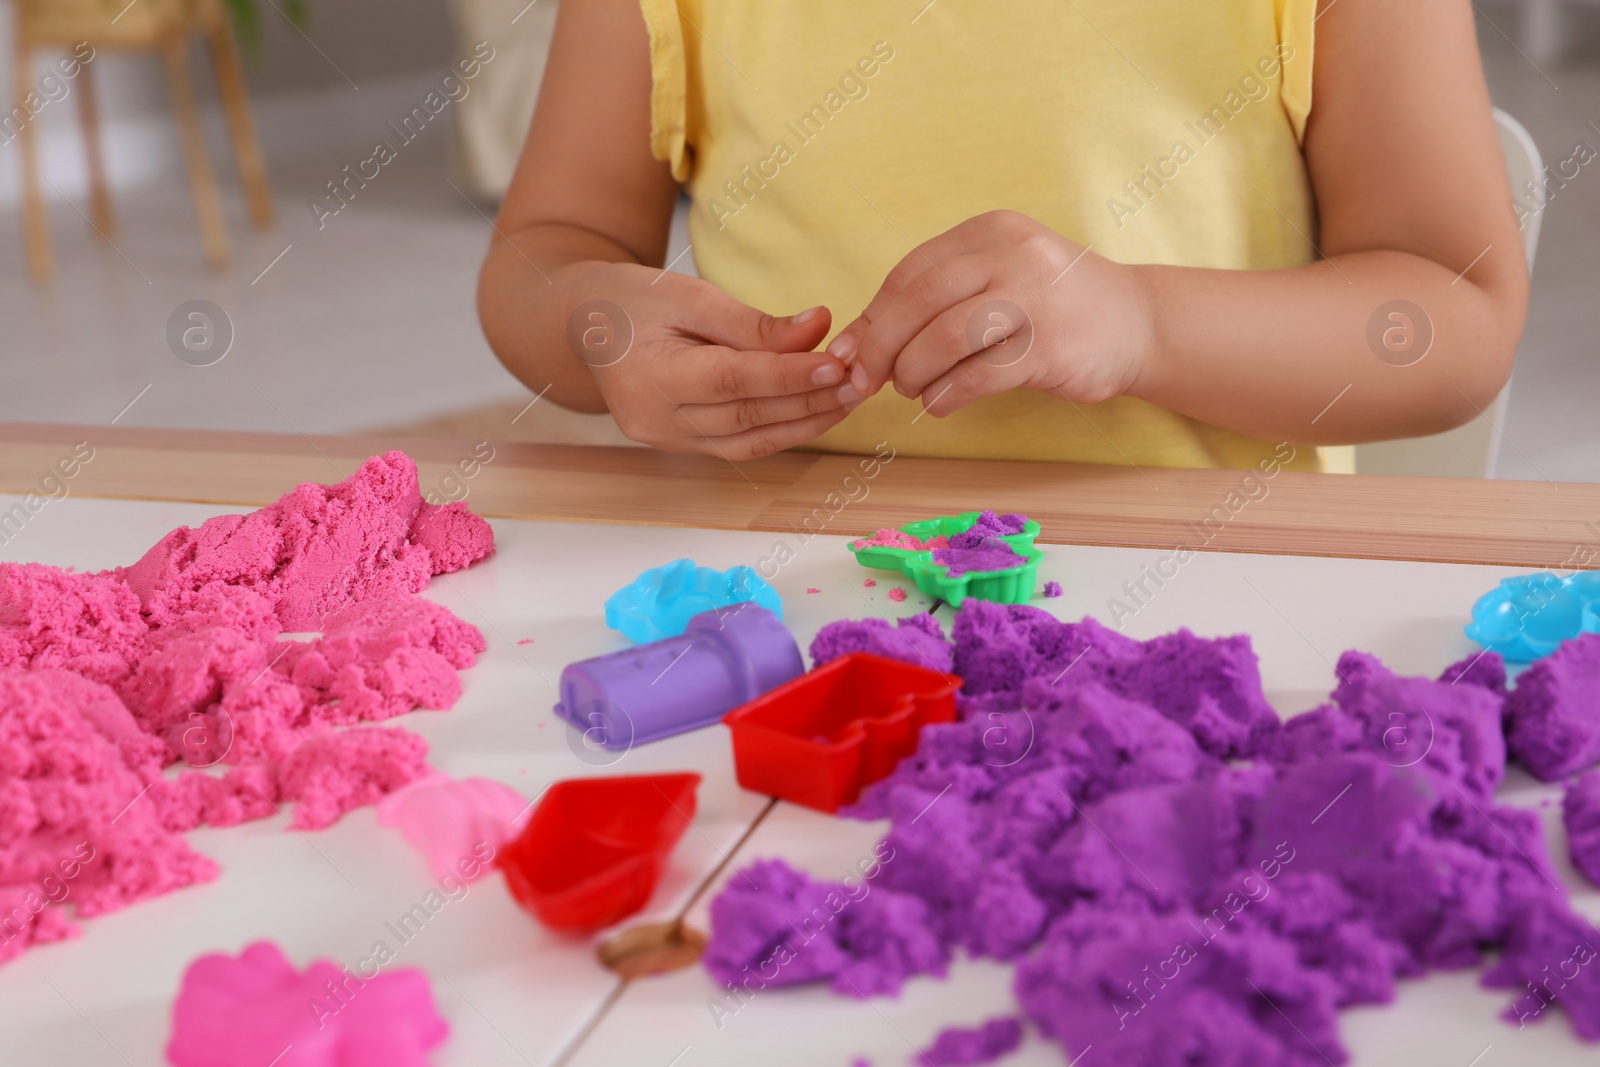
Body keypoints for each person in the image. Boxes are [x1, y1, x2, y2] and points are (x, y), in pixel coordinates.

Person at [477, 0, 1527, 471]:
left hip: (1199, 592)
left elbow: (1456, 316)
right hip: (780, 603)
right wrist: (600, 329)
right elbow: (544, 252)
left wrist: (1141, 323)